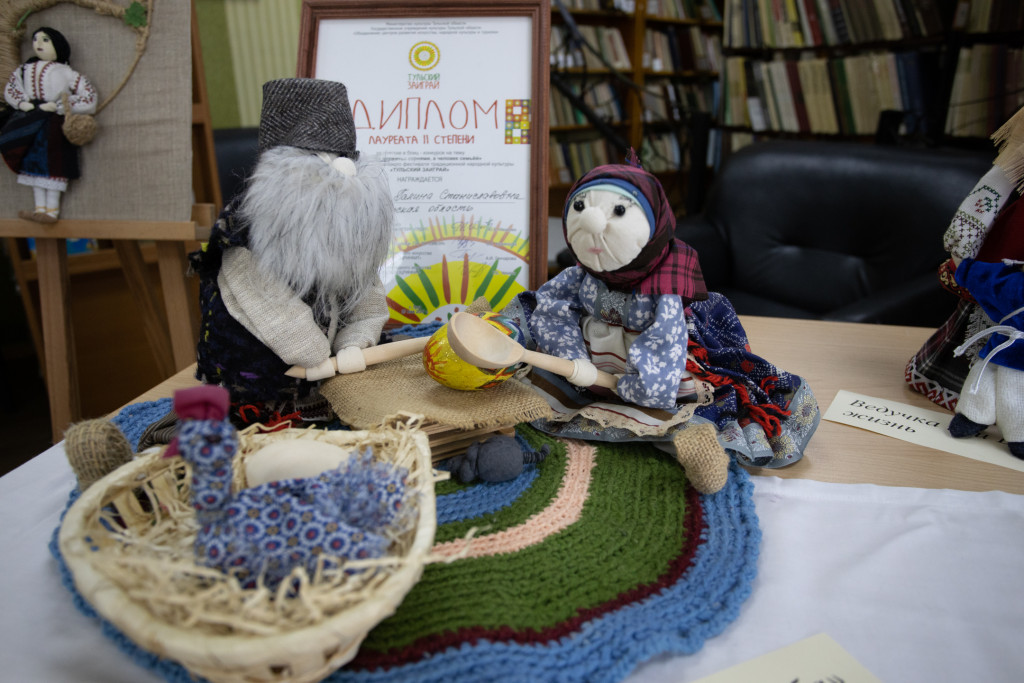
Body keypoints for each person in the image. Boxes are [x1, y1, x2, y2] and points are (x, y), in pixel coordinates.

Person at [189, 78, 395, 425]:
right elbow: (265, 298)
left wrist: (356, 341)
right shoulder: (247, 228)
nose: (341, 173)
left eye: (344, 160)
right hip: (259, 380)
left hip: (330, 376)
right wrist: (313, 353)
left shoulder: (348, 217)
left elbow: (366, 290)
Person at [1, 26, 97, 223]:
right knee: (33, 164)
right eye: (35, 39)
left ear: (58, 45)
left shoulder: (67, 72)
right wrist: (22, 103)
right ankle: (39, 209)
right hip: (29, 121)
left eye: (45, 40)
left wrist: (60, 106)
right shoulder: (24, 70)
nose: (38, 44)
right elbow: (12, 88)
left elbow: (89, 97)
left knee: (53, 165)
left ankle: (52, 211)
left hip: (53, 126)